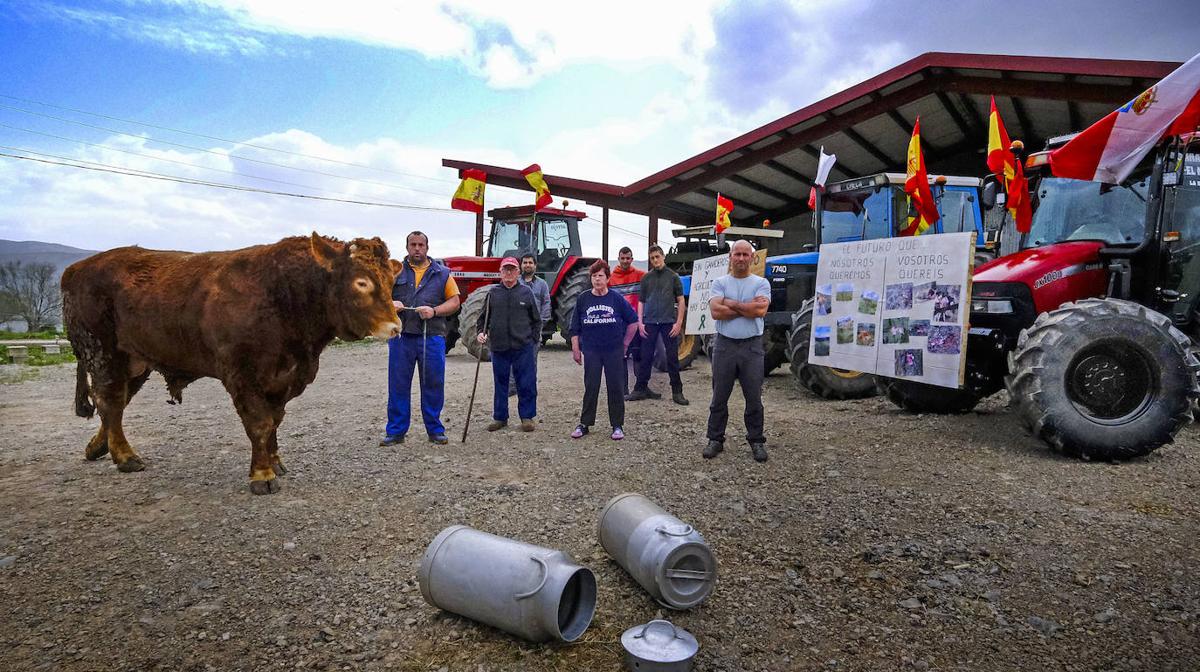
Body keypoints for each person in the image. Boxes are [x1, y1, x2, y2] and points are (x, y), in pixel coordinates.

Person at [382, 231, 461, 446]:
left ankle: (435, 430)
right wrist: (391, 305)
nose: (417, 248)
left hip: (432, 336)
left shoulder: (442, 273)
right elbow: (379, 297)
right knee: (398, 385)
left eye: (421, 245)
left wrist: (434, 311)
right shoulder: (394, 271)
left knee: (433, 384)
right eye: (413, 244)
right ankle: (396, 432)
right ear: (407, 247)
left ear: (427, 247)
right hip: (401, 337)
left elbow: (455, 302)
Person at [704, 239, 771, 462]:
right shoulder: (719, 282)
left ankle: (756, 440)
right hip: (724, 346)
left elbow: (760, 310)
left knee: (754, 397)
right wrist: (746, 307)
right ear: (730, 257)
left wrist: (731, 303)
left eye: (745, 254)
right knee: (719, 396)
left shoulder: (761, 283)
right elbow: (716, 312)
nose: (741, 258)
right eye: (737, 254)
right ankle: (715, 439)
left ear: (752, 258)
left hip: (752, 347)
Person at [570, 260, 638, 440]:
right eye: (594, 276)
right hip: (591, 350)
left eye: (601, 276)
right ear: (590, 278)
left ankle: (617, 425)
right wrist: (576, 348)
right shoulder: (583, 298)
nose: (597, 279)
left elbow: (633, 321)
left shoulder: (616, 299)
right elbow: (574, 327)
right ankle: (585, 424)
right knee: (591, 386)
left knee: (615, 387)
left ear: (608, 278)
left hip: (613, 350)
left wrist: (625, 344)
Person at [476, 257, 541, 432]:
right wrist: (480, 333)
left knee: (526, 382)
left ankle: (527, 417)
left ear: (518, 272)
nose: (509, 273)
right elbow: (483, 319)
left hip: (523, 346)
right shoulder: (493, 293)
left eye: (512, 269)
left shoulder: (526, 293)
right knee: (500, 383)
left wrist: (532, 340)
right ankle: (500, 417)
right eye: (506, 270)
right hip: (499, 347)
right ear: (500, 272)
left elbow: (537, 320)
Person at [628, 245, 688, 406]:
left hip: (668, 323)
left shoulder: (673, 277)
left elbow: (681, 300)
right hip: (649, 323)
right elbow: (641, 301)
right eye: (652, 258)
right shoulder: (647, 278)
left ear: (663, 257)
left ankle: (677, 391)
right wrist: (640, 322)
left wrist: (679, 323)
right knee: (646, 356)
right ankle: (640, 388)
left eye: (657, 257)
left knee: (672, 358)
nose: (655, 260)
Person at [508, 254, 550, 395]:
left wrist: (541, 324)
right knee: (514, 359)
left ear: (535, 265)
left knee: (531, 362)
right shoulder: (515, 282)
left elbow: (546, 304)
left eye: (530, 262)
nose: (527, 265)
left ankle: (529, 388)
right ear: (521, 265)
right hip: (516, 328)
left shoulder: (542, 285)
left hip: (533, 329)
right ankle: (513, 388)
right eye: (525, 262)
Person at [609, 246, 645, 396]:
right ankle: (623, 390)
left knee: (639, 355)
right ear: (618, 259)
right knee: (621, 355)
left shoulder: (641, 275)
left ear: (632, 259)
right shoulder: (611, 278)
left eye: (628, 258)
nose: (625, 261)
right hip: (619, 324)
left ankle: (640, 388)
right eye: (622, 258)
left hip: (636, 321)